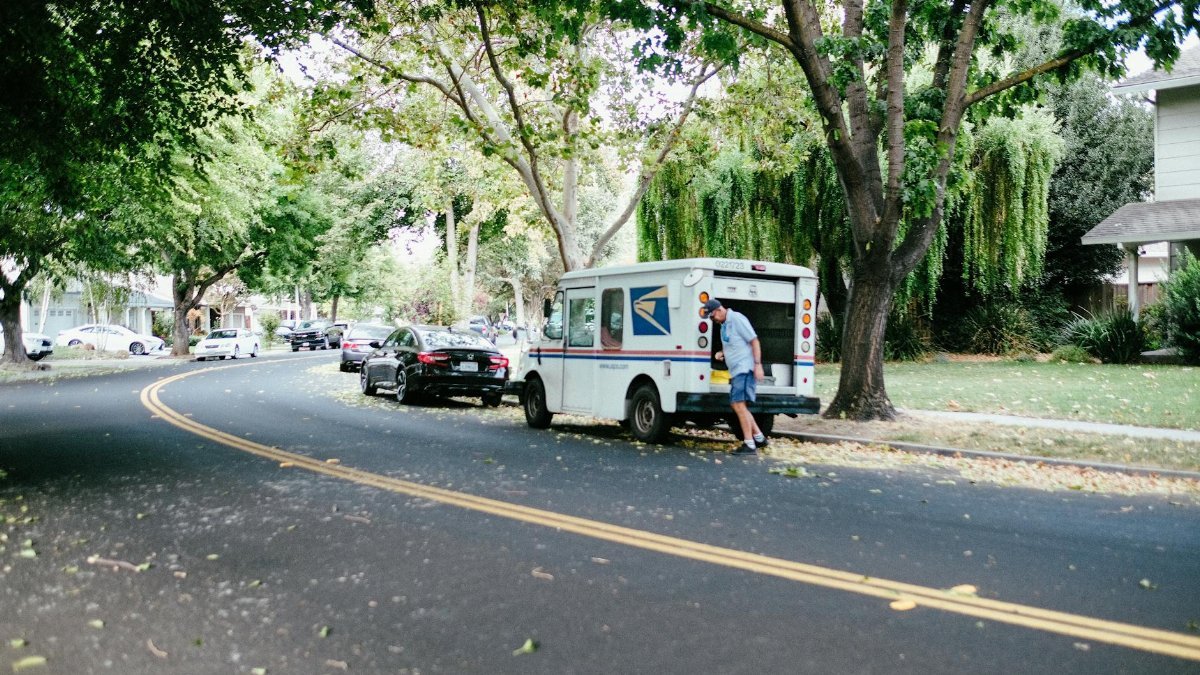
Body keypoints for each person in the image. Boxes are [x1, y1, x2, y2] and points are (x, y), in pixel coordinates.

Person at [701, 298, 768, 454]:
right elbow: (735, 344)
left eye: (712, 317)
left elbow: (754, 341)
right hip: (737, 369)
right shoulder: (725, 325)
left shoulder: (737, 319)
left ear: (718, 310)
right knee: (740, 405)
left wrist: (758, 365)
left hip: (744, 368)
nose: (712, 320)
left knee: (738, 404)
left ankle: (749, 444)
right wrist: (722, 353)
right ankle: (759, 438)